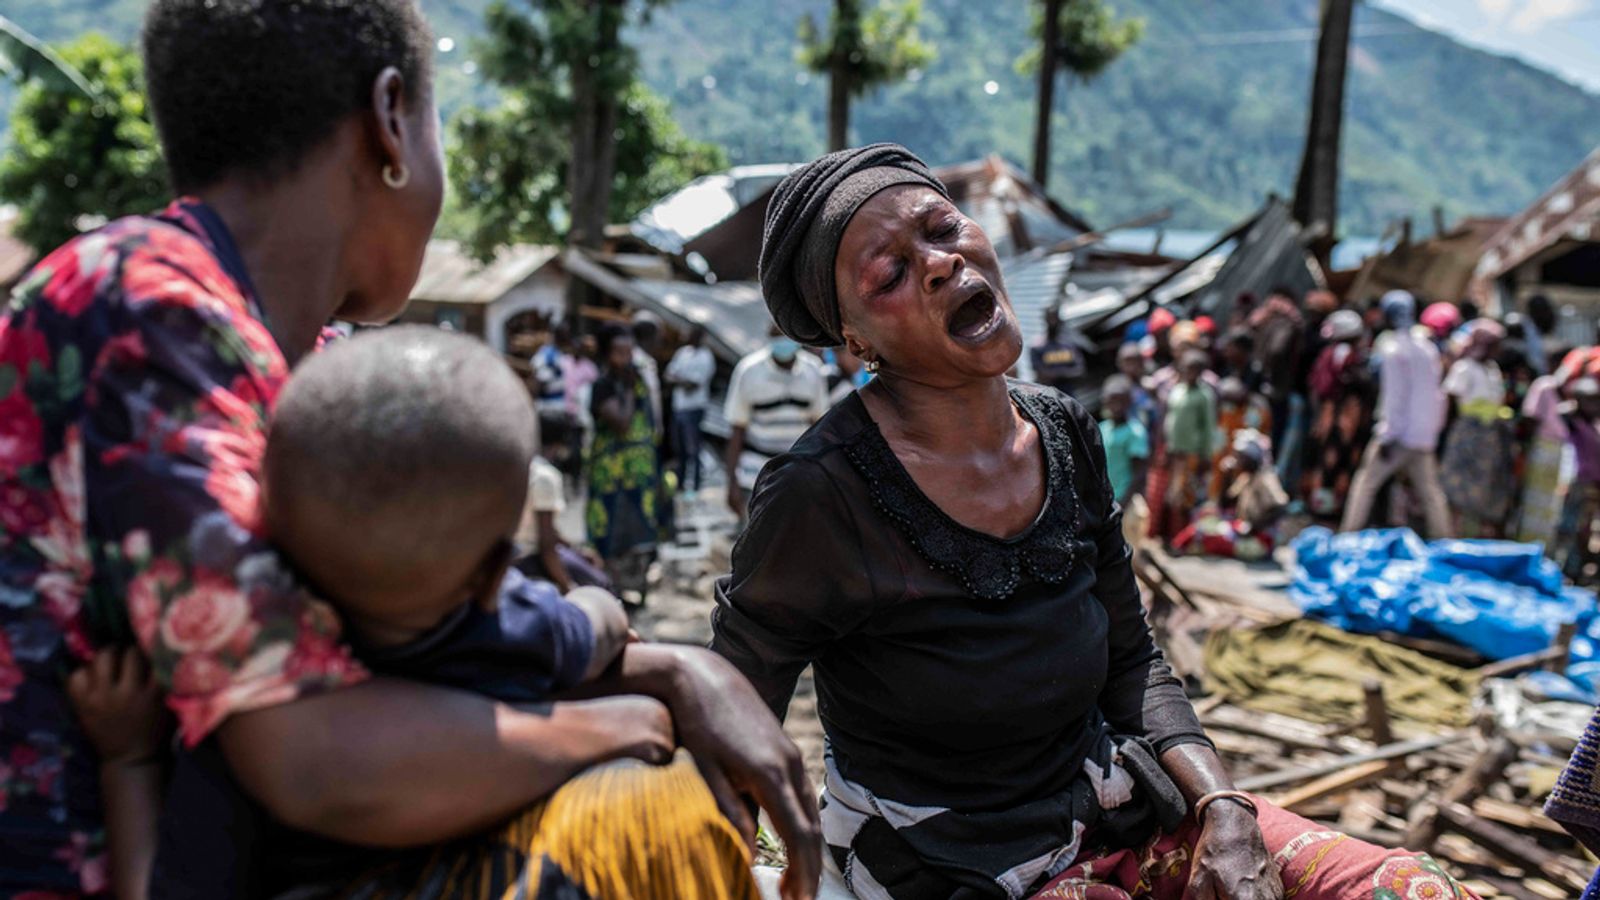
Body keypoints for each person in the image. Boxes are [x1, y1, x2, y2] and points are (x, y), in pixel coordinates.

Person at [0, 2, 821, 896]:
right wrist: (631, 719)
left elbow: (420, 626)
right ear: (391, 121)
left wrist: (673, 665)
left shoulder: (296, 349)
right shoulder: (147, 313)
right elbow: (311, 755)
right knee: (653, 806)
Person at [713, 142, 1478, 899]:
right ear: (855, 342)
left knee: (1408, 886)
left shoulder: (1064, 431)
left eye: (943, 230)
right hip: (947, 864)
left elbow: (1131, 658)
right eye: (889, 273)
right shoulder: (819, 493)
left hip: (1111, 810)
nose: (941, 263)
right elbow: (735, 710)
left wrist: (1224, 809)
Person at [74, 326, 667, 898]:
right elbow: (601, 624)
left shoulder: (256, 725)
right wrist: (602, 605)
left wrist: (128, 760)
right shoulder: (521, 628)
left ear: (264, 541)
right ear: (491, 574)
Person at [1340, 292, 1452, 538]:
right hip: (1422, 435)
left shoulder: (1393, 351)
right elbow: (1437, 396)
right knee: (1431, 495)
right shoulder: (1428, 349)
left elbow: (1395, 398)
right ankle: (1446, 543)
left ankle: (1346, 537)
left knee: (1365, 485)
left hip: (1398, 435)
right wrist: (1430, 431)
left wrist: (1388, 435)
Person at [588, 324, 665, 595]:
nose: (627, 357)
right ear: (607, 354)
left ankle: (639, 587)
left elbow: (653, 424)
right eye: (619, 352)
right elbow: (622, 422)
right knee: (610, 530)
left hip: (640, 472)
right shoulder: (602, 386)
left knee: (641, 526)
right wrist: (631, 390)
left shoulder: (641, 382)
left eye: (629, 351)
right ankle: (611, 588)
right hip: (610, 476)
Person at [723, 328, 830, 516]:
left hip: (800, 470)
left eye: (786, 337)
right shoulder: (748, 370)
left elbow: (819, 425)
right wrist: (732, 482)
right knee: (758, 536)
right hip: (756, 473)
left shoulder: (813, 370)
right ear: (769, 339)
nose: (783, 343)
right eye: (777, 337)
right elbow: (737, 428)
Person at [1440, 319, 1514, 537]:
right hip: (1467, 434)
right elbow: (1451, 400)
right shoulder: (1465, 368)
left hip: (1490, 436)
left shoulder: (1492, 369)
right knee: (1457, 488)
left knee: (1485, 488)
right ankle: (1453, 534)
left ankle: (1475, 538)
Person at [1302, 310, 1376, 521]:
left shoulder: (1333, 352)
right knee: (1333, 463)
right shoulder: (1344, 353)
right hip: (1341, 418)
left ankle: (1320, 509)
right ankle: (1325, 512)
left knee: (1327, 462)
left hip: (1332, 416)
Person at [1163, 349, 1218, 538]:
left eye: (1194, 369)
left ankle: (1183, 538)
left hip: (1192, 452)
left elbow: (1208, 427)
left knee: (1187, 498)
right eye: (1187, 369)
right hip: (1175, 451)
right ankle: (1172, 536)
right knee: (1173, 495)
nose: (1190, 373)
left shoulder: (1204, 395)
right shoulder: (1178, 390)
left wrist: (1206, 455)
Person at [665, 325, 716, 492]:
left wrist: (678, 380)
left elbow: (693, 385)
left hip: (694, 408)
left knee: (693, 448)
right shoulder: (683, 353)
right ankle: (680, 485)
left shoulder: (705, 357)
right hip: (679, 407)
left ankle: (694, 486)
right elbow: (668, 376)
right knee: (679, 449)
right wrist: (682, 381)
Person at [1210, 376, 1272, 502]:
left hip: (1247, 464)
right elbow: (1220, 435)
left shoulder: (1258, 409)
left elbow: (1260, 440)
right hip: (1223, 460)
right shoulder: (1226, 409)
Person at [1099, 376, 1150, 506]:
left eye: (1121, 401)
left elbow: (1139, 473)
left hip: (1124, 499)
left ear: (1129, 402)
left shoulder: (1135, 432)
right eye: (1112, 401)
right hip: (1105, 498)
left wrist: (1124, 502)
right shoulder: (1102, 428)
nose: (1116, 406)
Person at [1030, 305, 1087, 394]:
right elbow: (1042, 375)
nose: (1053, 322)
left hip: (1068, 394)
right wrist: (1066, 373)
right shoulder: (1038, 346)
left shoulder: (1069, 345)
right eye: (1050, 318)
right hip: (1047, 394)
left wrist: (1055, 374)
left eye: (1055, 318)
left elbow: (1080, 371)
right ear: (1045, 320)